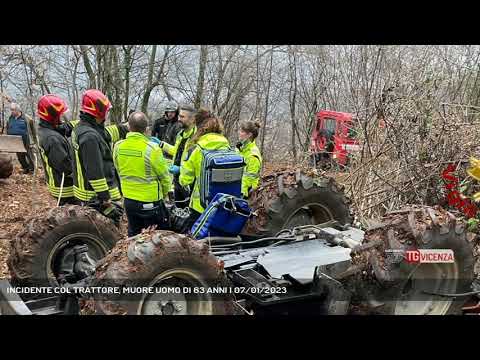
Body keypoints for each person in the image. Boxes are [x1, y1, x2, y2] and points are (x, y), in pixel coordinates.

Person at [71, 89, 128, 223]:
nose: (107, 114)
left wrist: (126, 127)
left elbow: (105, 133)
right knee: (105, 231)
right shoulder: (89, 137)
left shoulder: (83, 127)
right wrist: (106, 200)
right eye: (106, 111)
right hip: (95, 197)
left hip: (89, 193)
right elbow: (95, 172)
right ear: (99, 111)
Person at [113, 112, 171, 236]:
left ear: (128, 127)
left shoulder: (118, 146)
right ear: (146, 129)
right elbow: (165, 178)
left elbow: (118, 169)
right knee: (155, 237)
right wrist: (164, 194)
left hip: (129, 200)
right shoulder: (152, 149)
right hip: (151, 202)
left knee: (133, 234)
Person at [179, 111, 230, 228]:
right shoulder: (227, 146)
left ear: (199, 127)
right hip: (223, 204)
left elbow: (185, 180)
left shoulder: (196, 149)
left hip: (200, 206)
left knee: (194, 240)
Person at [37, 94, 78, 205]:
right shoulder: (53, 139)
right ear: (53, 117)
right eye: (59, 115)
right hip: (65, 188)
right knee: (74, 217)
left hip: (58, 183)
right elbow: (65, 167)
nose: (61, 118)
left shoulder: (45, 129)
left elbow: (61, 128)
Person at [157, 104, 200, 208]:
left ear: (193, 119)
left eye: (182, 117)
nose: (179, 119)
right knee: (178, 209)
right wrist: (161, 144)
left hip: (189, 183)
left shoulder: (197, 138)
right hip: (177, 180)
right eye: (179, 116)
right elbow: (175, 151)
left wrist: (180, 169)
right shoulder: (181, 135)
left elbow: (197, 163)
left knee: (187, 211)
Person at [236, 120, 263, 199]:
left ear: (249, 135)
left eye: (242, 131)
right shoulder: (240, 148)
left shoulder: (253, 155)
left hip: (246, 195)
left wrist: (238, 196)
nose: (239, 133)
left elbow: (248, 180)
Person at [7, 103, 35, 174]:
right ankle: (25, 168)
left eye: (13, 110)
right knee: (20, 156)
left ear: (18, 110)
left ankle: (32, 169)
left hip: (26, 140)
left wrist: (33, 141)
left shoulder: (26, 118)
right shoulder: (10, 118)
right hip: (16, 141)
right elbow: (8, 127)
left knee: (29, 155)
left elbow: (32, 130)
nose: (12, 111)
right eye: (11, 110)